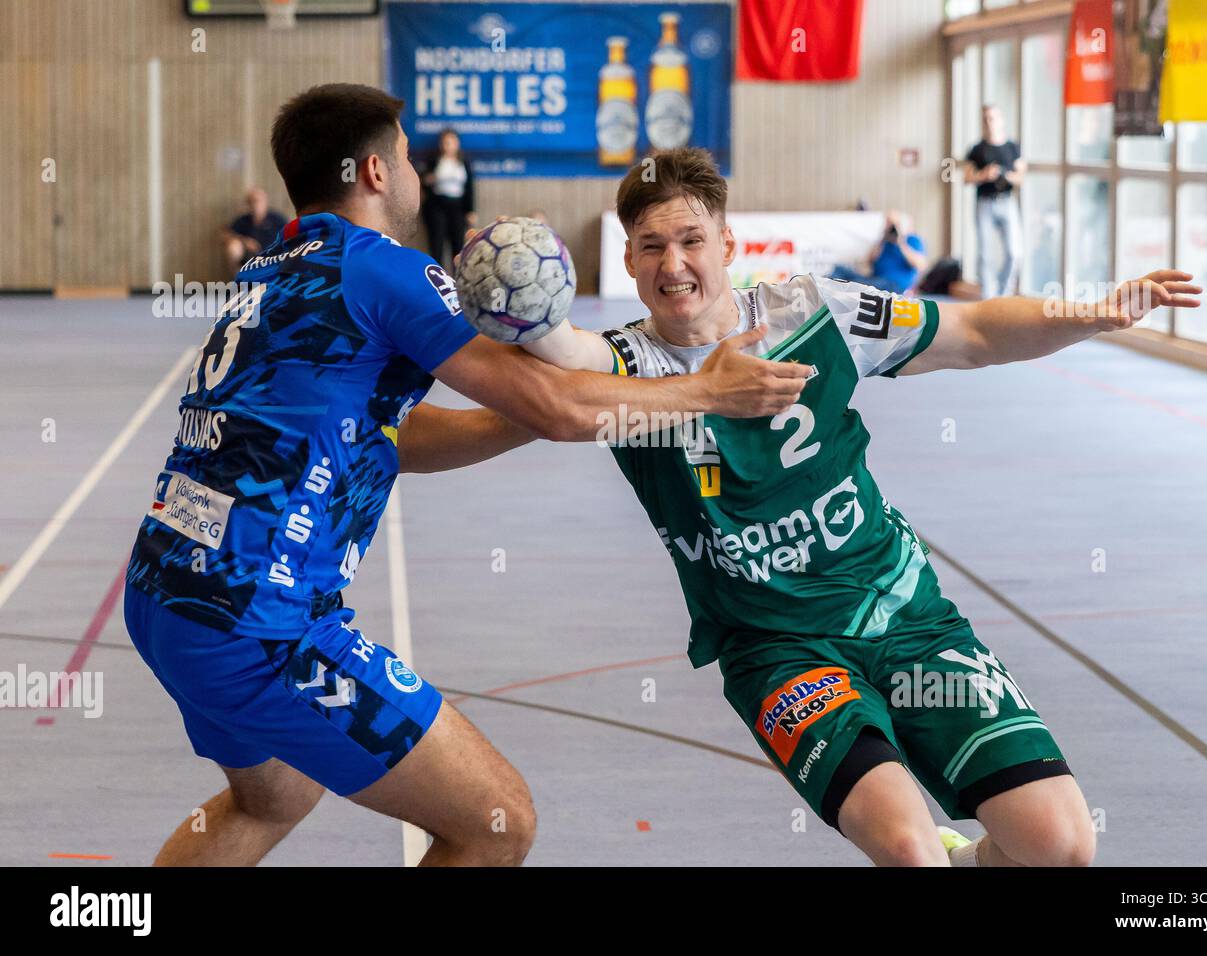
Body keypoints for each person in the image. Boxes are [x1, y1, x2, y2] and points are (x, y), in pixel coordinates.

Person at [123, 87, 808, 868]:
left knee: (273, 796)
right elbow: (555, 406)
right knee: (495, 822)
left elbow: (382, 435)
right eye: (411, 157)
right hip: (260, 622)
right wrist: (706, 391)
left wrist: (537, 411)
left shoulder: (270, 273)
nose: (417, 174)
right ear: (378, 171)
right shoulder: (384, 272)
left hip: (165, 595)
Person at [471, 146, 1200, 866]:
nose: (674, 265)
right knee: (908, 849)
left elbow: (973, 332)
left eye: (692, 241)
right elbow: (562, 353)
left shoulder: (813, 313)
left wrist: (1088, 313)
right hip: (778, 648)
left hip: (904, 616)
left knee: (1061, 847)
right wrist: (518, 299)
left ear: (727, 244)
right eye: (652, 247)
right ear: (628, 260)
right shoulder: (625, 368)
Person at [964, 105, 1027, 298]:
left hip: (1007, 202)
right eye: (986, 119)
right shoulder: (977, 149)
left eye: (993, 118)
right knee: (985, 254)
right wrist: (984, 175)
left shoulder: (1012, 147)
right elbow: (967, 178)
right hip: (985, 203)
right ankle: (988, 298)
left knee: (1014, 252)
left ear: (1001, 120)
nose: (990, 122)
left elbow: (1021, 177)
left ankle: (1003, 295)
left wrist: (1005, 176)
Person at [828, 210, 928, 294]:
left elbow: (921, 265)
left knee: (855, 284)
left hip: (894, 284)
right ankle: (828, 290)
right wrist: (883, 239)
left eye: (894, 224)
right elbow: (870, 261)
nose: (891, 226)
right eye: (888, 223)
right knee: (839, 269)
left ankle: (835, 292)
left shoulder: (912, 240)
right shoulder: (883, 242)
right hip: (875, 279)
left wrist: (900, 242)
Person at [421, 128, 476, 265]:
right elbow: (424, 181)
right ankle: (437, 279)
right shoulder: (434, 160)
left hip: (457, 206)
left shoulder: (464, 162)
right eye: (446, 142)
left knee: (458, 246)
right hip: (437, 205)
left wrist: (471, 210)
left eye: (451, 142)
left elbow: (469, 188)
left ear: (457, 144)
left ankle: (457, 281)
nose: (448, 145)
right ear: (441, 144)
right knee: (437, 244)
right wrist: (429, 179)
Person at [219, 187, 287, 277]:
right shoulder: (243, 220)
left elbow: (290, 235)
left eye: (258, 201)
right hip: (249, 259)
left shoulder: (277, 219)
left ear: (265, 201)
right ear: (248, 204)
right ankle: (239, 280)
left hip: (273, 257)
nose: (255, 205)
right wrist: (245, 241)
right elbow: (225, 234)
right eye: (251, 202)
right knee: (233, 246)